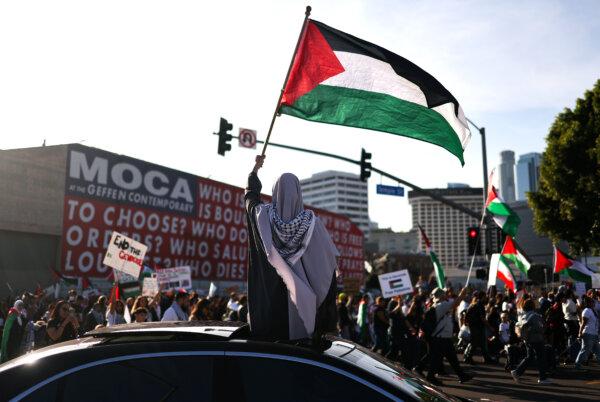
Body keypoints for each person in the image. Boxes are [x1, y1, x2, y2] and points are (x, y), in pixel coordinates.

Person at [244, 155, 339, 341]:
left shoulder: (261, 217)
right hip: (304, 316)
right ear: (299, 193)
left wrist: (255, 170)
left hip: (267, 315)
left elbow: (250, 199)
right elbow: (328, 268)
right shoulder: (313, 225)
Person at [425, 287, 472, 386]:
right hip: (440, 337)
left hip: (442, 337)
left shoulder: (436, 305)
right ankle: (430, 377)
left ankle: (461, 375)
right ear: (442, 295)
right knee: (436, 358)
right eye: (444, 294)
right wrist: (462, 293)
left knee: (452, 357)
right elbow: (456, 304)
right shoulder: (442, 304)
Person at [511, 299, 551, 384]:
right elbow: (539, 328)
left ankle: (517, 372)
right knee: (541, 357)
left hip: (527, 339)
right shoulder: (535, 316)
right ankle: (542, 378)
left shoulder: (524, 316)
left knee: (530, 356)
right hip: (536, 339)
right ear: (533, 306)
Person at [574, 296, 600, 370]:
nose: (594, 303)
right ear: (588, 303)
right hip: (588, 333)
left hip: (594, 334)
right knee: (585, 350)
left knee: (598, 350)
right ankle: (577, 364)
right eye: (592, 302)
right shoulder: (587, 311)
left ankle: (578, 364)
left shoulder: (592, 310)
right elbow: (583, 323)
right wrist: (580, 333)